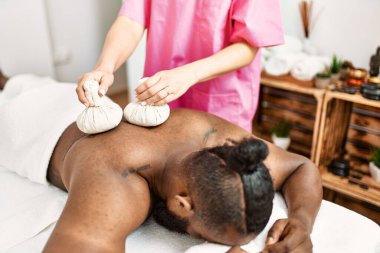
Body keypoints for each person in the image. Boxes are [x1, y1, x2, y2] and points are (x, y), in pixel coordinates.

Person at [0, 73, 322, 253]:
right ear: (182, 205)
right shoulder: (118, 184)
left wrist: (302, 221)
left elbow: (299, 167)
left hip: (76, 104)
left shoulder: (219, 142)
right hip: (28, 128)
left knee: (25, 83)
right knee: (11, 97)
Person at [77, 0, 284, 131]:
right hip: (160, 97)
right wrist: (105, 66)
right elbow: (131, 20)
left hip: (222, 103)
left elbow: (248, 46)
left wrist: (188, 75)